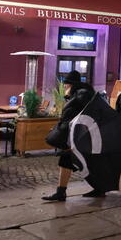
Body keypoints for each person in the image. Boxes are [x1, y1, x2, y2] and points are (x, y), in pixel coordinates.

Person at [41, 70, 96, 201]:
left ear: (71, 84)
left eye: (66, 84)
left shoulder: (82, 94)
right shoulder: (75, 95)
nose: (64, 86)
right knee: (66, 160)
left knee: (86, 161)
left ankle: (99, 187)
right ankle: (61, 192)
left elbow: (85, 113)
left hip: (78, 135)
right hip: (72, 134)